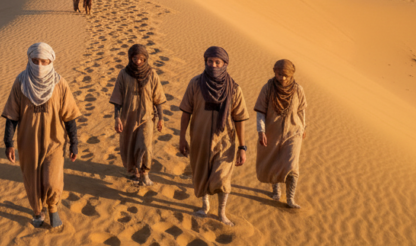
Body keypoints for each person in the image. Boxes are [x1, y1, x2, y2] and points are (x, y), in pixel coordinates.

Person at [2, 42, 82, 228]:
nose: (39, 66)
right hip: (28, 143)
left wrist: (74, 143)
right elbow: (12, 115)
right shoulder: (21, 82)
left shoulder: (60, 83)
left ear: (50, 61)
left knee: (52, 181)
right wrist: (9, 143)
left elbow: (70, 116)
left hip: (54, 142)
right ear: (29, 60)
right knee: (32, 180)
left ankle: (53, 208)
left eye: (44, 62)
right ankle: (37, 211)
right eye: (35, 61)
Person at [178, 46, 249, 226]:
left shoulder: (234, 89)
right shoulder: (195, 83)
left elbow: (240, 119)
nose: (213, 65)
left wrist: (242, 147)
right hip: (200, 140)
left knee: (223, 178)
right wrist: (181, 138)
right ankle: (205, 207)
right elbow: (186, 112)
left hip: (225, 142)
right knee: (201, 175)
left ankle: (222, 213)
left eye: (217, 62)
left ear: (225, 64)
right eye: (210, 61)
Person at [110, 44, 167, 186]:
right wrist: (117, 118)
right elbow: (117, 99)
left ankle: (145, 173)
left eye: (141, 58)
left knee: (145, 145)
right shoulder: (123, 74)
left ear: (145, 58)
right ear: (130, 58)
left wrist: (161, 118)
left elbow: (158, 98)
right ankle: (134, 172)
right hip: (128, 117)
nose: (138, 61)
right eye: (135, 58)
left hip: (147, 116)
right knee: (129, 145)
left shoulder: (152, 74)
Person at [254, 59, 307, 208]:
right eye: (279, 74)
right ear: (274, 72)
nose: (282, 78)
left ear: (291, 75)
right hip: (272, 132)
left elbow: (301, 110)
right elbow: (260, 112)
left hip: (293, 132)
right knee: (274, 162)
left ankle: (290, 199)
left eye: (285, 75)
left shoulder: (298, 89)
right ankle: (276, 190)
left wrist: (303, 128)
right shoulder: (268, 88)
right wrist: (261, 131)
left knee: (292, 166)